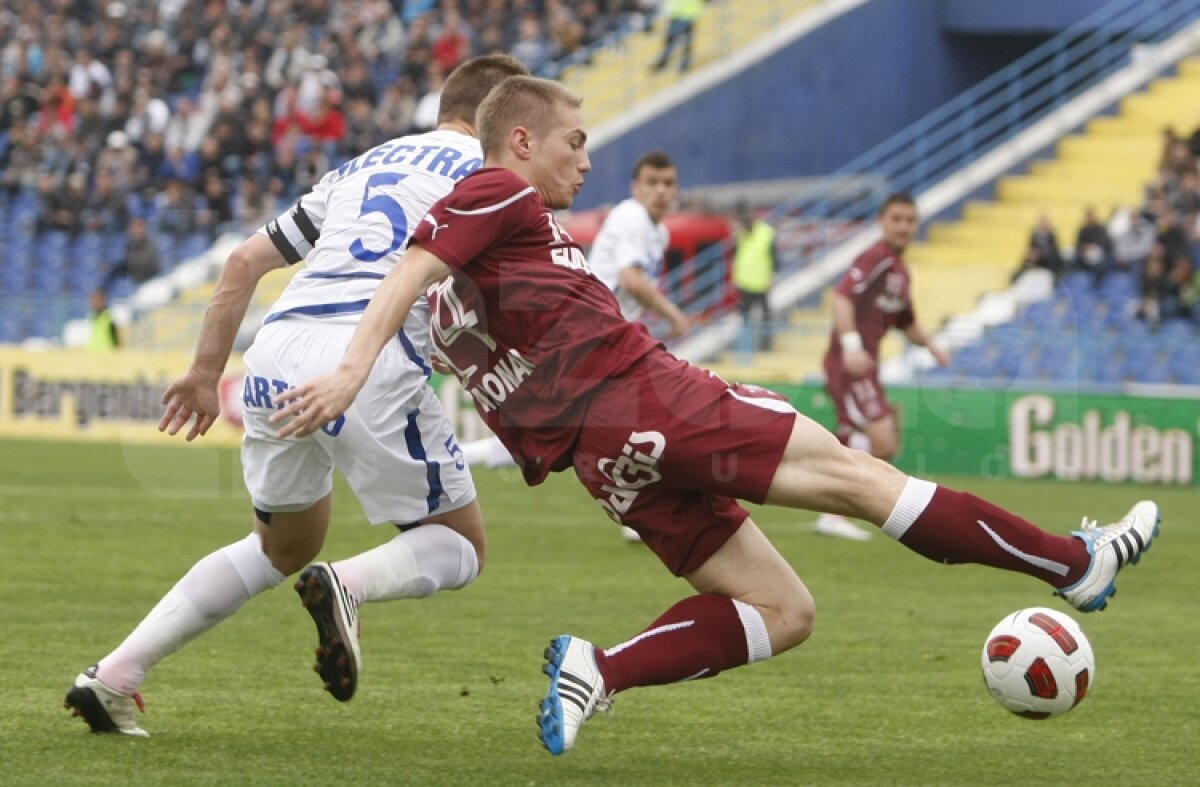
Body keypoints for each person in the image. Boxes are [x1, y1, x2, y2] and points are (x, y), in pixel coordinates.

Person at [271, 76, 1162, 757]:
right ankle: (1074, 562)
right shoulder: (498, 190)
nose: (587, 161)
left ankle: (599, 671)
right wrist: (350, 369)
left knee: (784, 608)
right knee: (864, 479)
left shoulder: (459, 301)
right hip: (649, 397)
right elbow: (413, 265)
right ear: (522, 140)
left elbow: (448, 310)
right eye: (576, 142)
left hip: (603, 459)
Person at [63, 54, 530, 738]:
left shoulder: (363, 165)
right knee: (460, 545)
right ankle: (349, 585)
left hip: (276, 352)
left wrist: (203, 373)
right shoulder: (491, 177)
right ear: (508, 119)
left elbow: (244, 261)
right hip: (362, 357)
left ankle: (114, 674)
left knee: (280, 547)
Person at [461, 147, 693, 543]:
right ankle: (642, 516)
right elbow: (631, 279)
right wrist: (674, 316)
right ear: (635, 187)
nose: (660, 191)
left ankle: (458, 456)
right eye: (652, 183)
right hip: (587, 335)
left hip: (597, 335)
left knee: (557, 434)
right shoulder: (633, 217)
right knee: (630, 423)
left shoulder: (658, 230)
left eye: (668, 184)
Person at [815, 193, 950, 541]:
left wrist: (933, 346)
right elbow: (841, 297)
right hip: (849, 367)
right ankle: (834, 511)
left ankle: (832, 508)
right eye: (896, 219)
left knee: (861, 439)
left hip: (866, 370)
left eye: (909, 220)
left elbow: (907, 323)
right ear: (881, 222)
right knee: (884, 440)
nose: (903, 226)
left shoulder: (900, 272)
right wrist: (851, 347)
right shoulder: (874, 256)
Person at [731, 202, 776, 353]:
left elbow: (774, 257)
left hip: (762, 282)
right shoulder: (741, 235)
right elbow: (737, 256)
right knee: (745, 317)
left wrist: (772, 276)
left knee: (766, 316)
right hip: (745, 283)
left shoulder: (767, 232)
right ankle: (745, 347)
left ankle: (766, 346)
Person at [650, 0, 706, 73]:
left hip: (681, 16)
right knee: (683, 42)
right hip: (686, 16)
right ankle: (683, 64)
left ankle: (664, 63)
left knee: (673, 41)